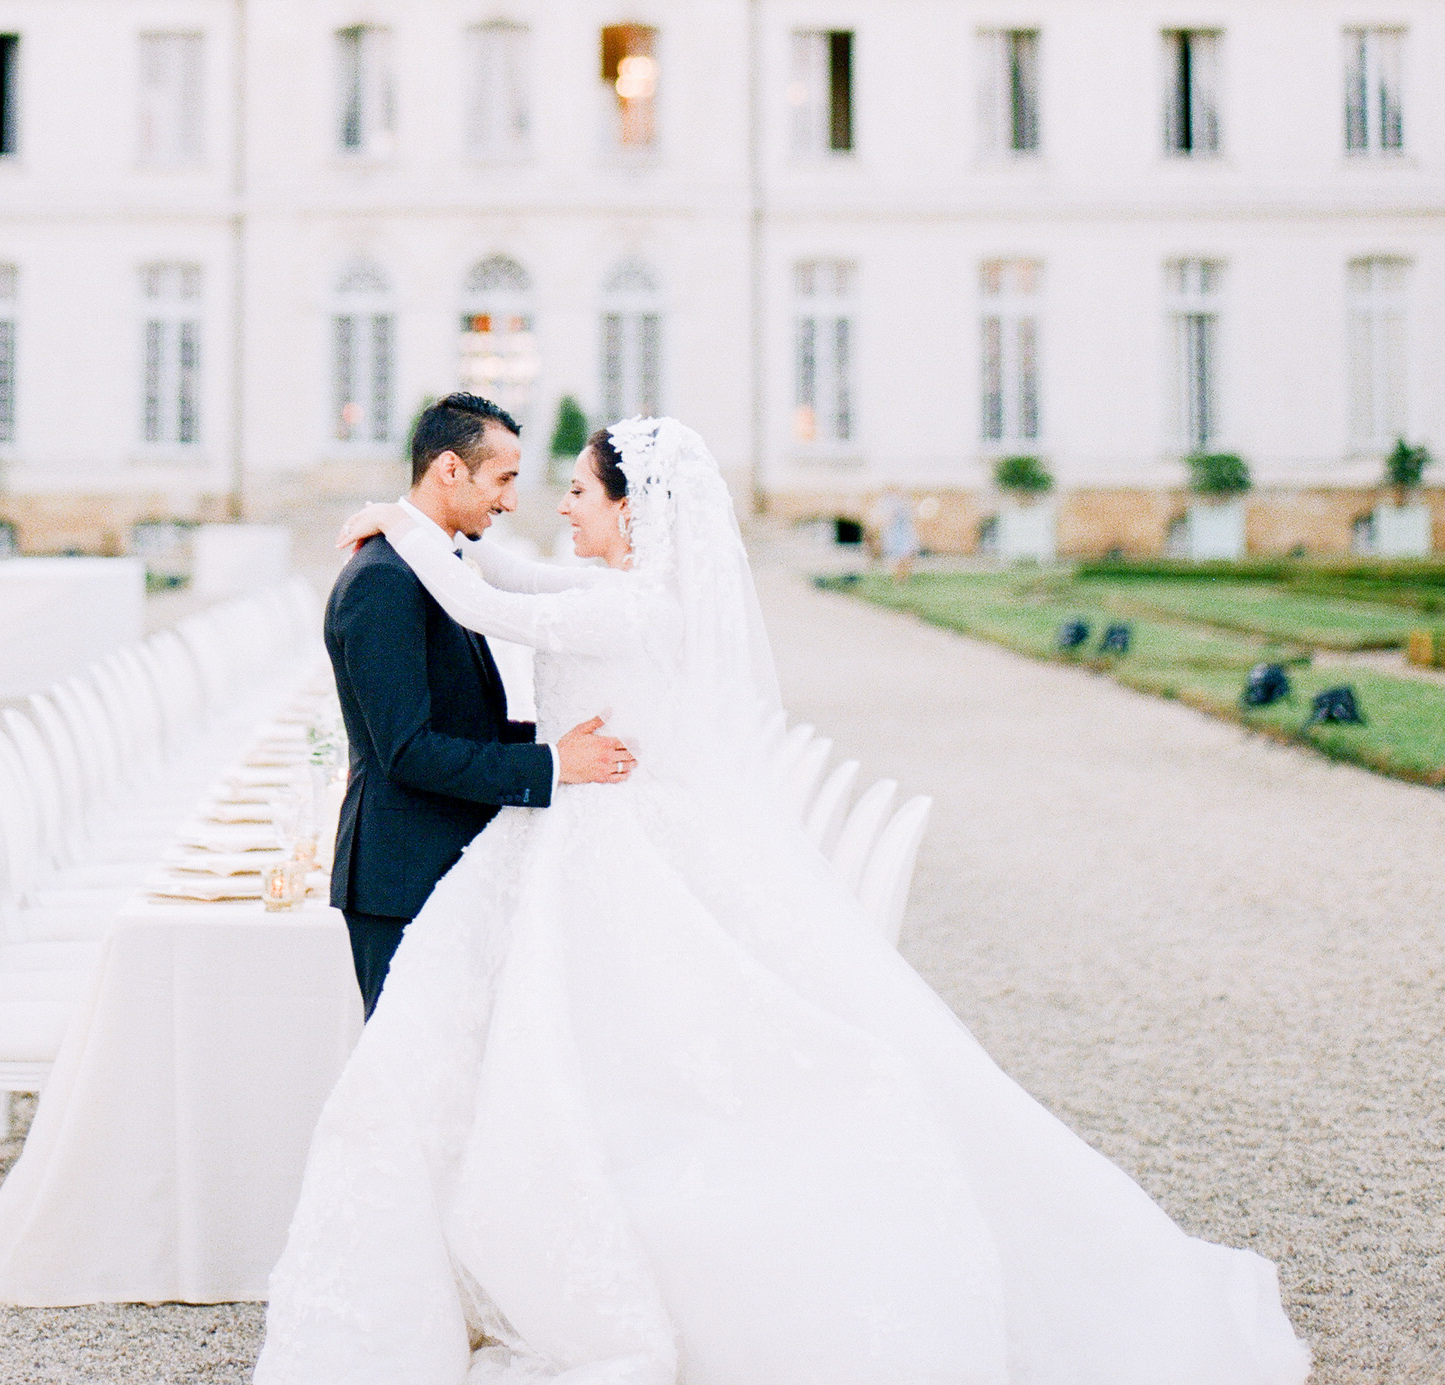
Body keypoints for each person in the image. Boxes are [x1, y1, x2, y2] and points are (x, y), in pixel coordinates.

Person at [255, 416, 1308, 1385]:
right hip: (587, 837)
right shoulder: (621, 592)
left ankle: (624, 1259)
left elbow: (488, 599)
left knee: (619, 1063)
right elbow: (508, 575)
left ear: (629, 510)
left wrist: (400, 520)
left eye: (576, 489)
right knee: (594, 1064)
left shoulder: (628, 602)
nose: (559, 505)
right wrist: (411, 525)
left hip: (607, 845)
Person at [321, 392, 636, 1015]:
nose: (512, 500)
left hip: (445, 864)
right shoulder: (385, 579)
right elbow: (409, 750)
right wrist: (552, 764)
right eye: (504, 478)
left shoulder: (438, 564)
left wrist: (564, 751)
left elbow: (467, 722)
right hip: (403, 878)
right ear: (449, 470)